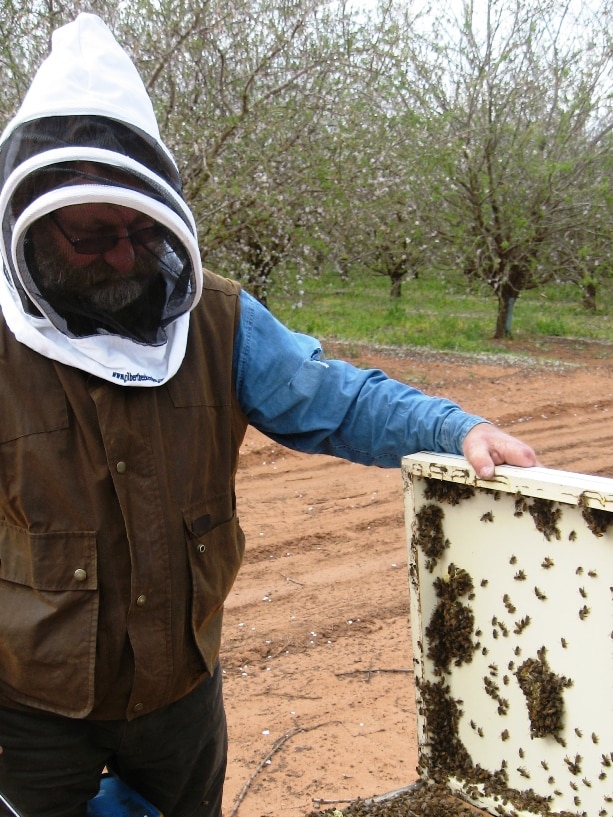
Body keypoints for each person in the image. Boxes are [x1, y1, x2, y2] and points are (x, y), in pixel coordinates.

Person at [0, 13, 538, 817]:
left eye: (139, 233)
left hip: (179, 695)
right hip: (29, 706)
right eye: (93, 237)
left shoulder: (219, 320)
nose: (121, 255)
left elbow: (335, 396)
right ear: (37, 223)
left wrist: (451, 427)